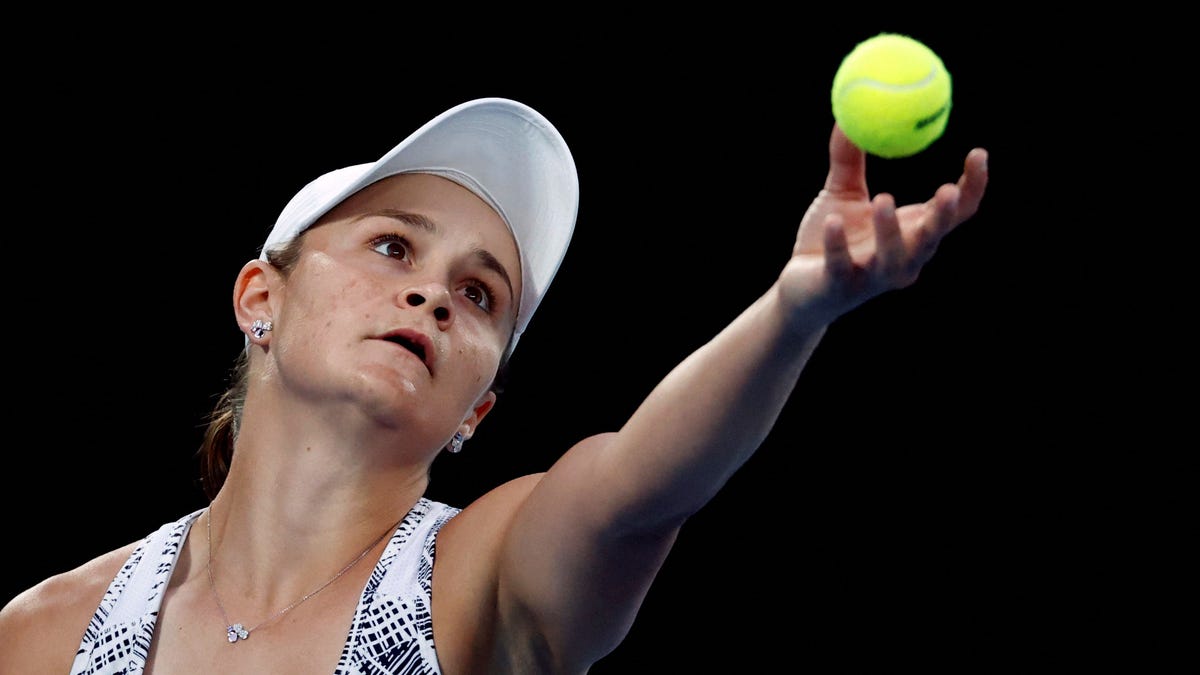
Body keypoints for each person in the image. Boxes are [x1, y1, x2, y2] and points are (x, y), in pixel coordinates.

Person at [0, 96, 988, 674]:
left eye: (481, 295)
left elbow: (638, 491)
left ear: (478, 409)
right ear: (262, 295)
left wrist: (793, 310)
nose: (433, 293)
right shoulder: (42, 634)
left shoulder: (476, 578)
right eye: (394, 246)